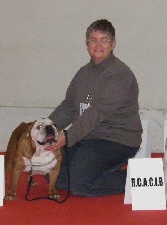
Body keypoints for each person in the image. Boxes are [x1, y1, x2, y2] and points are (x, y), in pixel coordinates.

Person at [45, 19, 142, 196]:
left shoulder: (119, 75)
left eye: (104, 40)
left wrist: (67, 136)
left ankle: (139, 176)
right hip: (87, 137)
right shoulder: (83, 72)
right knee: (52, 172)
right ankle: (98, 171)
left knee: (79, 184)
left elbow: (97, 113)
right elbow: (68, 107)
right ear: (87, 44)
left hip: (116, 140)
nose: (98, 45)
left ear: (113, 44)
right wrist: (46, 129)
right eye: (93, 40)